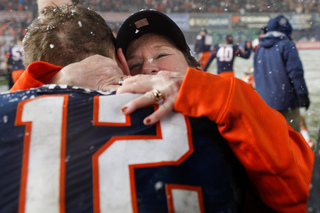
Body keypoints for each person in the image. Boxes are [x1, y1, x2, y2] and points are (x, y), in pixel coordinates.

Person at [10, 9, 314, 212]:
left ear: (193, 65)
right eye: (137, 64)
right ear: (121, 66)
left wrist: (206, 93)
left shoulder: (225, 104)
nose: (151, 67)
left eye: (163, 54)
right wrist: (56, 82)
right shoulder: (117, 106)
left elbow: (303, 191)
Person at [253, 15, 310, 132]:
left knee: (272, 141)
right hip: (286, 103)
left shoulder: (259, 49)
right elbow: (295, 73)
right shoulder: (287, 45)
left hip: (265, 104)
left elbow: (257, 77)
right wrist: (303, 95)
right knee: (291, 140)